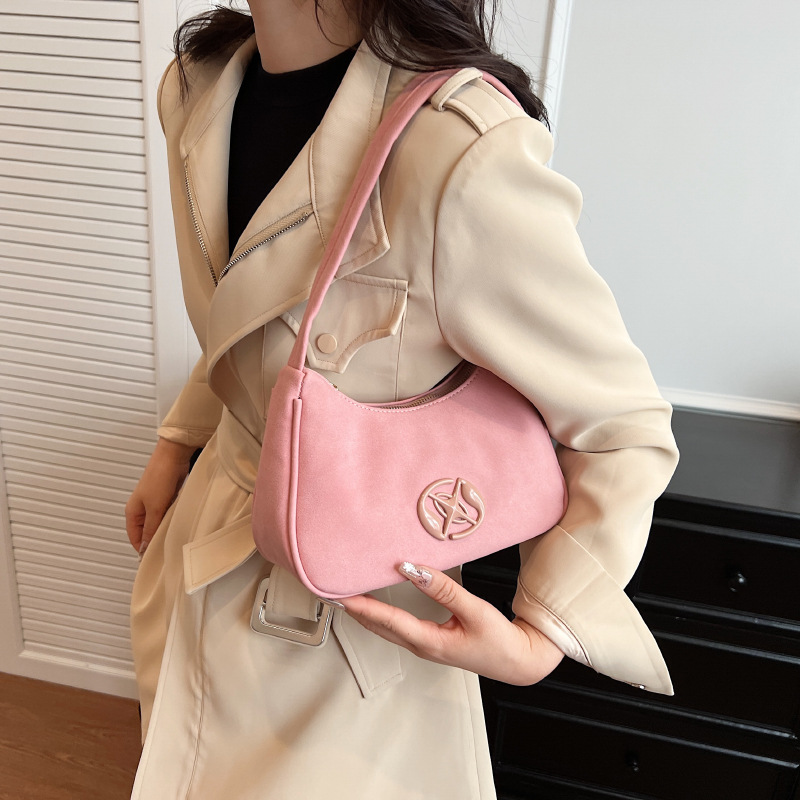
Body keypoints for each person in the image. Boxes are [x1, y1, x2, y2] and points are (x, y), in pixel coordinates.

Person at [125, 0, 679, 796]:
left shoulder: (456, 148)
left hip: (347, 628)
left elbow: (622, 425)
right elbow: (248, 324)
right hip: (202, 553)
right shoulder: (198, 87)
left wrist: (545, 630)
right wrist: (177, 443)